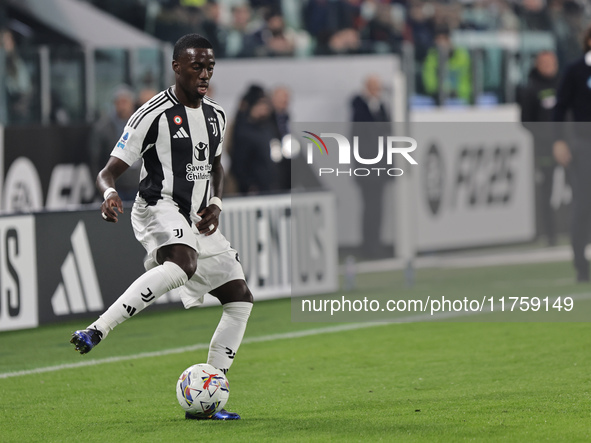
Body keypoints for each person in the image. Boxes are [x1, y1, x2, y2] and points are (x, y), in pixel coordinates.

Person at [70, 34, 253, 420]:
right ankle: (97, 329)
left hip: (197, 216)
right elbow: (107, 172)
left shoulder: (216, 116)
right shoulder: (150, 115)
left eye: (210, 67)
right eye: (196, 67)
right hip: (158, 206)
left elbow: (216, 167)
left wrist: (216, 204)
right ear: (176, 68)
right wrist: (107, 195)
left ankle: (208, 393)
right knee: (183, 262)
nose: (204, 74)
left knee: (239, 300)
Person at [552, 26, 591, 282]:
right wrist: (558, 141)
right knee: (584, 203)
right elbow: (559, 107)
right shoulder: (576, 70)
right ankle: (581, 262)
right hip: (584, 144)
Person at [520, 50, 559, 246]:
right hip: (545, 148)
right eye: (544, 63)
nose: (548, 66)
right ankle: (549, 234)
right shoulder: (531, 89)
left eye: (551, 62)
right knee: (546, 190)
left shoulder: (565, 85)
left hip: (569, 145)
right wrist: (547, 138)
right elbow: (525, 121)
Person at [351, 74, 390, 259]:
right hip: (367, 168)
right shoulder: (360, 109)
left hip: (380, 167)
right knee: (370, 208)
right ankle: (369, 245)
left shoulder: (381, 108)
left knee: (378, 208)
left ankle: (375, 243)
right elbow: (358, 140)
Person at [89, 85, 139, 201]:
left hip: (139, 184)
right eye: (119, 102)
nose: (122, 106)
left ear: (132, 103)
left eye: (125, 102)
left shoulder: (142, 122)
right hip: (116, 185)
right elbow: (95, 159)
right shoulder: (103, 128)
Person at [422, 28, 471, 105]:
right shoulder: (432, 57)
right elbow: (429, 79)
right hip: (439, 99)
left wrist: (458, 92)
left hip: (461, 98)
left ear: (449, 40)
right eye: (438, 40)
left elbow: (466, 79)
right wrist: (438, 91)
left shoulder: (462, 55)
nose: (440, 43)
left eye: (443, 39)